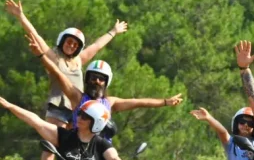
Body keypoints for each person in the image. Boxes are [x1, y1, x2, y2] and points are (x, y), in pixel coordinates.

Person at [5, 0, 128, 160]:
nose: (71, 46)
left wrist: (113, 31)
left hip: (77, 109)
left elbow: (96, 46)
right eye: (68, 42)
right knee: (51, 143)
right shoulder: (54, 57)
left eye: (75, 44)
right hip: (58, 105)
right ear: (62, 42)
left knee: (76, 147)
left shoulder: (79, 61)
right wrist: (21, 16)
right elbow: (35, 36)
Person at [26, 32, 183, 134]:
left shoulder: (110, 102)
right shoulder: (77, 98)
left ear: (106, 82)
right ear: (86, 79)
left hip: (102, 153)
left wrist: (165, 102)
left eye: (101, 79)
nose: (97, 82)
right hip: (78, 151)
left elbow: (138, 102)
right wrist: (40, 56)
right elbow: (57, 74)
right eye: (93, 77)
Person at [0, 97, 138, 160]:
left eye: (84, 116)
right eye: (79, 113)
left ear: (96, 122)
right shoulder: (64, 136)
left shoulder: (102, 143)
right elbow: (36, 122)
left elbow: (114, 159)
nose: (78, 117)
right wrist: (9, 106)